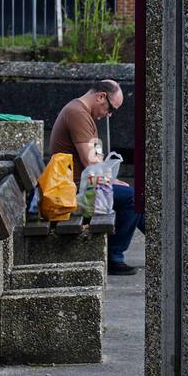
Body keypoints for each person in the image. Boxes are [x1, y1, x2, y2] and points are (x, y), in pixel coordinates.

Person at [47, 78, 143, 275]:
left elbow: (97, 155)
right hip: (74, 191)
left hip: (83, 184)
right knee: (133, 197)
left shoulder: (84, 114)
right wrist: (109, 178)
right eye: (111, 109)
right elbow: (91, 161)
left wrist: (110, 178)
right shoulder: (78, 114)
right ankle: (114, 258)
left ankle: (166, 244)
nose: (109, 115)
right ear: (101, 96)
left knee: (137, 197)